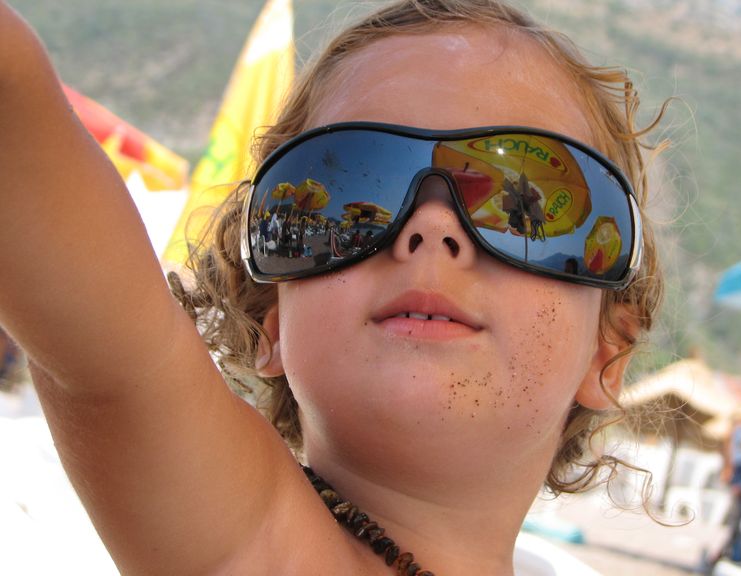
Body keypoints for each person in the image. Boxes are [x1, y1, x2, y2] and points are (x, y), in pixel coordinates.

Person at [0, 1, 665, 575]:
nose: (432, 227)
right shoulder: (251, 544)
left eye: (522, 206)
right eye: (351, 185)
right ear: (271, 323)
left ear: (608, 353)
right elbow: (107, 354)